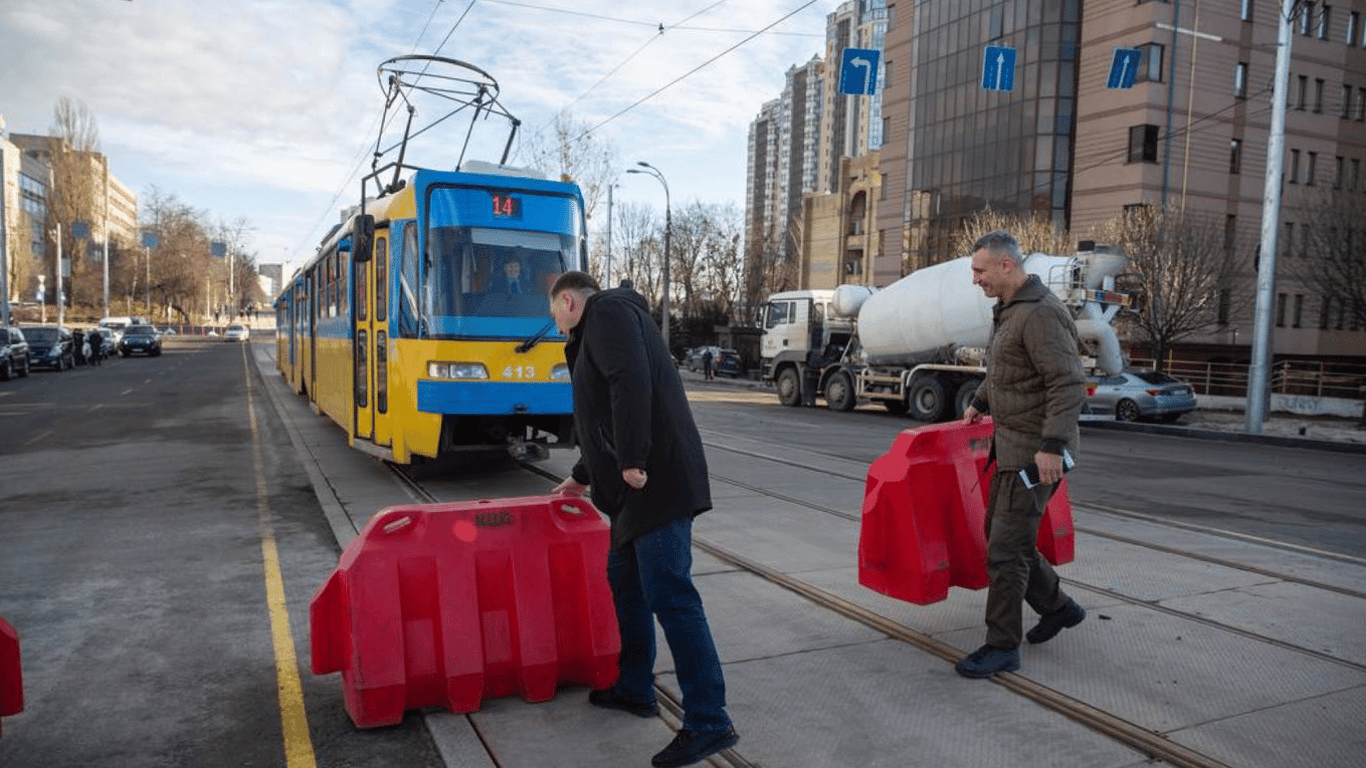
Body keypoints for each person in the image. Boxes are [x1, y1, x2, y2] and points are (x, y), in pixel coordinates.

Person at [549, 271, 739, 768]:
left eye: (555, 316)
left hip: (654, 483)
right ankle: (635, 687)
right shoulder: (602, 326)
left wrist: (632, 458)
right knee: (625, 581)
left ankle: (708, 720)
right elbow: (599, 416)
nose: (556, 327)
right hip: (634, 489)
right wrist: (582, 476)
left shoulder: (607, 313)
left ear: (568, 301)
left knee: (671, 595)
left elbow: (629, 382)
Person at [956, 230, 1087, 678]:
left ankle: (1001, 645)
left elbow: (1067, 383)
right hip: (1014, 449)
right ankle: (1059, 608)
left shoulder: (1040, 315)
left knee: (1005, 553)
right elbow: (1007, 369)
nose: (975, 279)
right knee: (1006, 536)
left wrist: (1051, 447)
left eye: (979, 270)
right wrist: (980, 400)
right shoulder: (1013, 312)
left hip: (1034, 455)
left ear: (1006, 265)